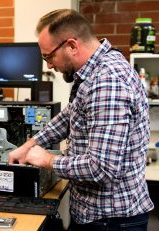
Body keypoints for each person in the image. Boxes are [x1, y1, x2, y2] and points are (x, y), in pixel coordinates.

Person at [9, 9, 154, 231]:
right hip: (96, 214)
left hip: (111, 220)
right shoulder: (95, 70)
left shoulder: (107, 82)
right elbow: (70, 116)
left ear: (72, 46)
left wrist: (47, 160)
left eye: (49, 57)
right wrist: (30, 145)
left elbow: (101, 168)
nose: (48, 65)